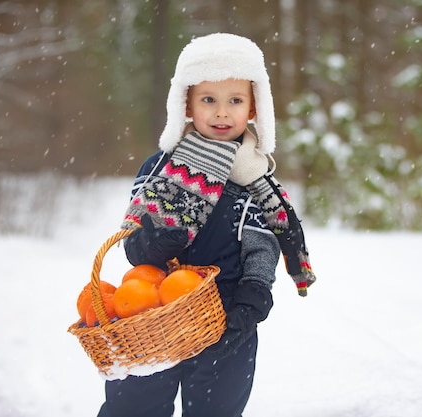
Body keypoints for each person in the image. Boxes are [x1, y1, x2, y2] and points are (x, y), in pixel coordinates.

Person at [97, 33, 316, 417]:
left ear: (252, 108)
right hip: (152, 312)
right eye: (208, 100)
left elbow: (261, 251)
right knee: (134, 407)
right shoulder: (160, 168)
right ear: (187, 104)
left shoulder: (255, 182)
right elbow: (130, 245)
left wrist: (251, 301)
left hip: (225, 319)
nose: (221, 112)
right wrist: (155, 246)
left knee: (216, 410)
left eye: (235, 100)